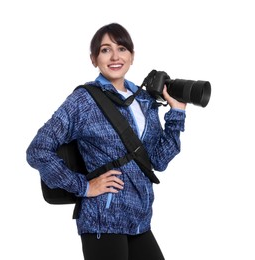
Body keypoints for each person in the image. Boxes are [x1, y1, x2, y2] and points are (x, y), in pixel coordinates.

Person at [26, 23, 186, 260]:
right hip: (104, 219)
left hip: (140, 219)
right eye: (105, 50)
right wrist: (84, 186)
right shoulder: (83, 100)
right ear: (93, 59)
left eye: (122, 48)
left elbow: (158, 161)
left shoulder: (143, 100)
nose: (114, 56)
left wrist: (177, 113)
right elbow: (38, 150)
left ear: (132, 56)